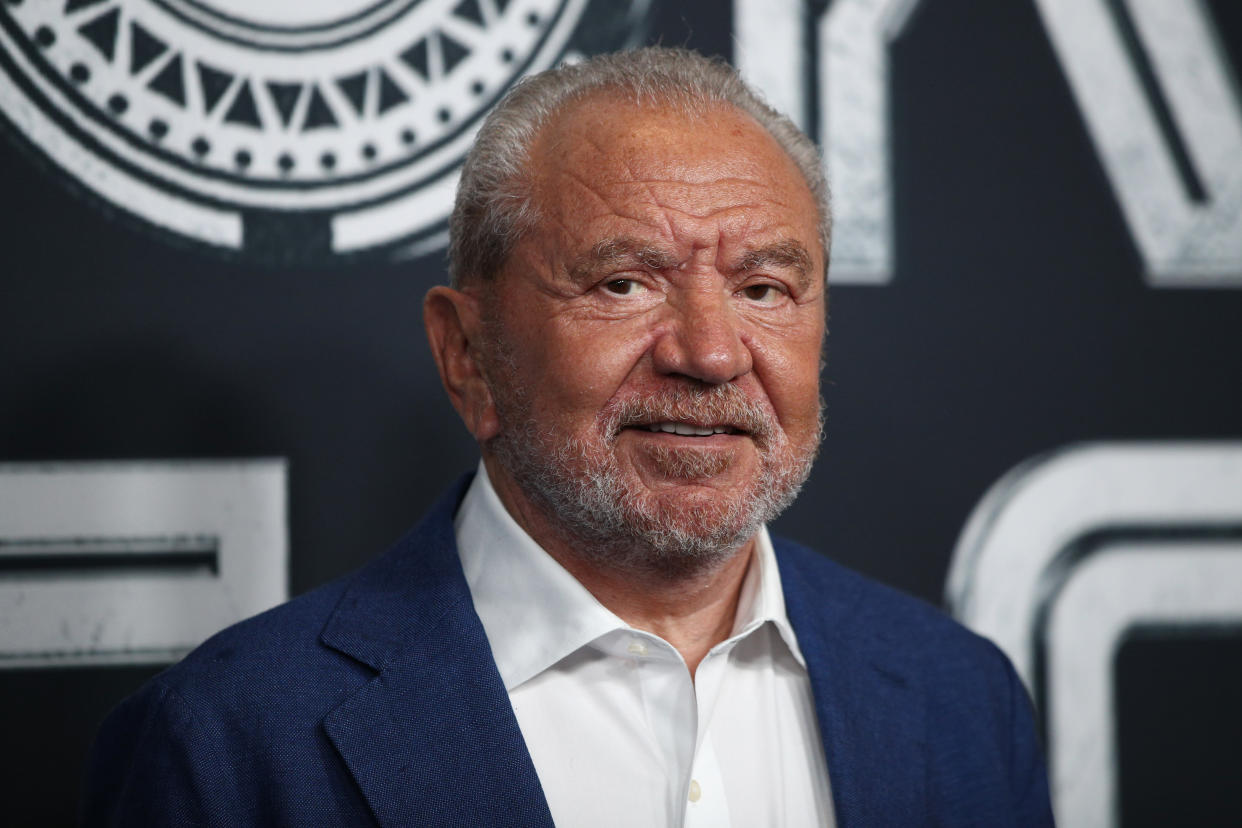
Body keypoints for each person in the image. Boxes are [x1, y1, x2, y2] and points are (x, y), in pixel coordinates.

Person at [83, 48, 1053, 826]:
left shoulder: (960, 700)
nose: (712, 355)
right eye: (623, 283)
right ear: (468, 352)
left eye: (764, 288)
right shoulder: (234, 742)